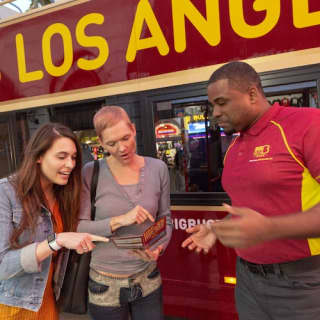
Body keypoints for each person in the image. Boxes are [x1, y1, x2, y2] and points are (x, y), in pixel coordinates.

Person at [182, 61, 320, 320]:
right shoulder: (234, 147)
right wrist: (217, 228)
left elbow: (265, 222)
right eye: (213, 105)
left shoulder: (308, 124)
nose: (215, 113)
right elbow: (253, 211)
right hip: (247, 280)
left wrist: (270, 228)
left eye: (222, 102)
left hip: (304, 283)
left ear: (253, 94)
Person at [78, 106, 172, 320]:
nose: (122, 148)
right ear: (100, 142)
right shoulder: (90, 172)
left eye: (126, 138)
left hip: (148, 277)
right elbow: (79, 227)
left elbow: (165, 218)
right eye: (111, 143)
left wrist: (159, 247)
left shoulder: (158, 168)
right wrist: (120, 220)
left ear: (134, 129)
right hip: (105, 283)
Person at [0, 122, 99, 320]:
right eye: (61, 157)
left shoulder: (65, 195)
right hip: (12, 306)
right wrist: (57, 241)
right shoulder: (5, 192)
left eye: (73, 158)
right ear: (38, 156)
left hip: (48, 303)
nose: (70, 164)